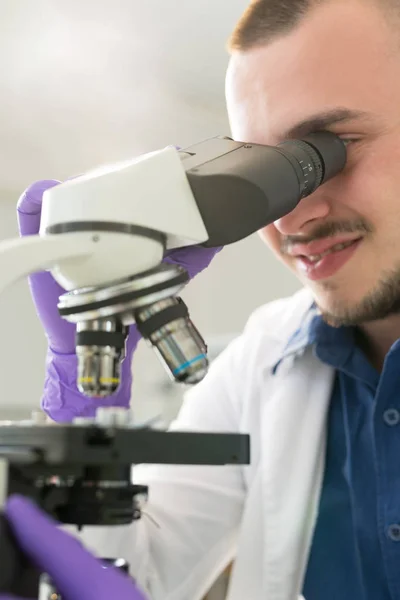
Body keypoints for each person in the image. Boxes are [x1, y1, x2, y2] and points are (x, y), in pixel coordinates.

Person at [3, 0, 400, 598]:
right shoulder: (260, 368)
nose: (291, 216)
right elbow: (131, 577)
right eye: (270, 171)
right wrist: (83, 397)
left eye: (333, 147)